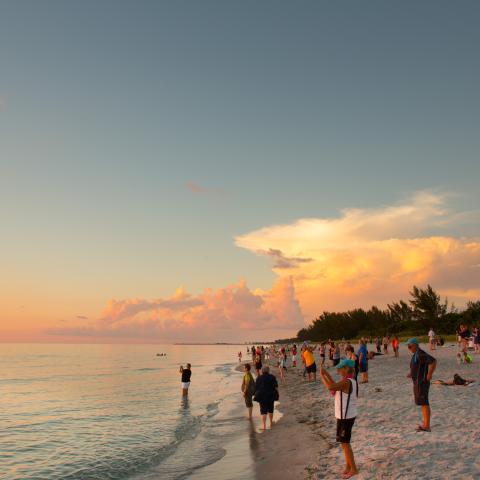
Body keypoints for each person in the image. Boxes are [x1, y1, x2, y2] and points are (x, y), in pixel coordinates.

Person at [319, 359, 359, 479]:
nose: (338, 370)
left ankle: (354, 469)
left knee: (345, 443)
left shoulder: (347, 382)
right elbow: (334, 386)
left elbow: (330, 386)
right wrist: (326, 374)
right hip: (344, 416)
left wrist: (322, 376)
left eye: (340, 368)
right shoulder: (347, 381)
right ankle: (348, 465)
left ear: (346, 369)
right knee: (343, 442)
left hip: (346, 417)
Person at [406, 338, 437, 432]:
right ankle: (425, 423)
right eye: (408, 346)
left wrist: (429, 374)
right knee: (422, 403)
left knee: (424, 402)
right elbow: (417, 365)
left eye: (410, 346)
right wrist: (411, 373)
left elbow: (433, 361)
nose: (409, 348)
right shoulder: (416, 354)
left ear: (415, 345)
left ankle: (427, 425)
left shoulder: (420, 354)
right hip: (417, 382)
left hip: (422, 382)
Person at [254, 365, 279, 430]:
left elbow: (256, 388)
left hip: (262, 396)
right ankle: (271, 423)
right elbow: (276, 386)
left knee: (263, 411)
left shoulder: (258, 378)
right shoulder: (272, 377)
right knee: (271, 409)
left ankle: (264, 426)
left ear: (262, 371)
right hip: (271, 395)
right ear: (268, 371)